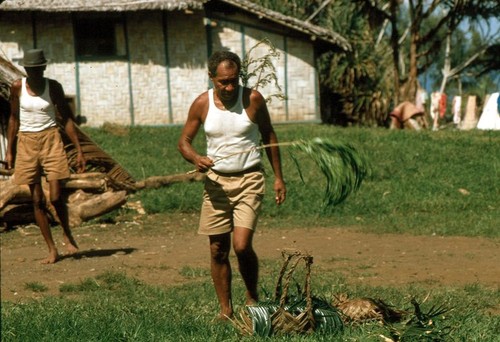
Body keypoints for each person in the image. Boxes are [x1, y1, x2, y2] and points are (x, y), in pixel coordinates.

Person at [178, 50, 286, 320]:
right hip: (215, 183)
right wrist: (196, 158)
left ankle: (252, 297)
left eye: (233, 81)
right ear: (211, 77)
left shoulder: (253, 99)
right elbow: (184, 142)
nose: (228, 87)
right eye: (222, 81)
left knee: (240, 245)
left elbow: (269, 135)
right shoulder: (202, 104)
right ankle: (226, 310)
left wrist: (278, 177)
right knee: (217, 249)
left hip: (249, 179)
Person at [6, 49, 86, 264]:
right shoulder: (17, 87)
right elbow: (13, 119)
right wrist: (10, 150)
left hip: (51, 140)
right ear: (26, 69)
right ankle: (51, 249)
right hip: (26, 142)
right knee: (37, 199)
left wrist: (78, 150)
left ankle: (67, 234)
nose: (34, 72)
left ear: (43, 68)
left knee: (55, 196)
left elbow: (67, 120)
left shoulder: (54, 87)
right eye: (30, 69)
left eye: (37, 68)